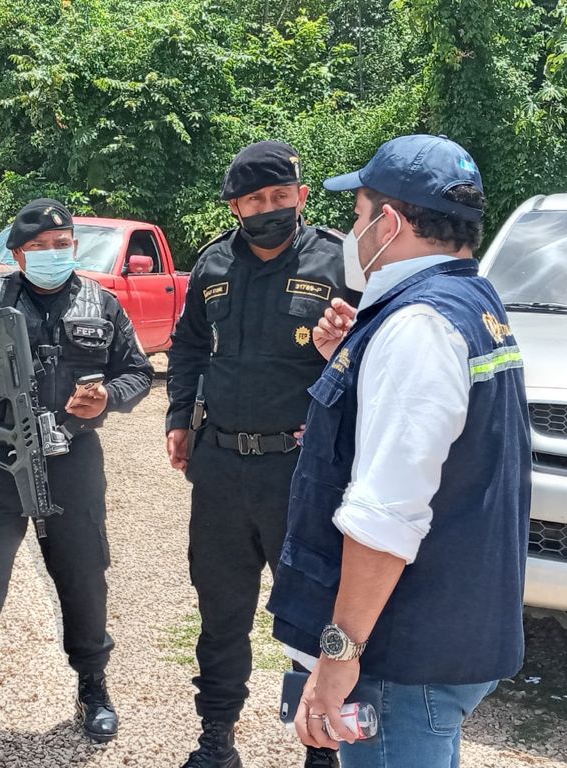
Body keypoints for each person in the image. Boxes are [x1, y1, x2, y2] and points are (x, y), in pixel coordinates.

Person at [267, 134, 532, 768]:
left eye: (358, 214)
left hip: (402, 653)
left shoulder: (417, 327)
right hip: (449, 631)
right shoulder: (471, 302)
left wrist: (340, 654)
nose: (351, 232)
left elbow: (387, 515)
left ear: (388, 223)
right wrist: (351, 361)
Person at [0, 198, 154, 767]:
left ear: (74, 246)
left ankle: (92, 687)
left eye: (61, 244)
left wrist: (107, 398)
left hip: (71, 462)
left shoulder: (101, 301)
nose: (52, 253)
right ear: (18, 254)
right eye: (39, 247)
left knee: (84, 578)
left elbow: (139, 372)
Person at [166, 141, 358, 768]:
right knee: (221, 613)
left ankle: (321, 751)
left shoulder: (339, 262)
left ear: (301, 195)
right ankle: (215, 740)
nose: (269, 208)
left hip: (301, 472)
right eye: (255, 200)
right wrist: (179, 418)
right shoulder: (213, 263)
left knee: (313, 614)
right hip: (220, 467)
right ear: (235, 206)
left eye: (281, 196)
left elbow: (369, 360)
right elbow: (189, 347)